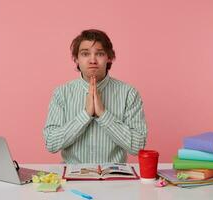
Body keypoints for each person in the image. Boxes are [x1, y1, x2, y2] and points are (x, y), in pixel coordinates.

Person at [43, 29, 148, 163]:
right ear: (76, 59)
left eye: (99, 53)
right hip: (71, 178)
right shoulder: (61, 93)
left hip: (114, 178)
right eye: (85, 54)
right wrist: (85, 115)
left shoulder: (129, 93)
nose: (92, 60)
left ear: (109, 57)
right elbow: (51, 144)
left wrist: (103, 114)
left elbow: (138, 146)